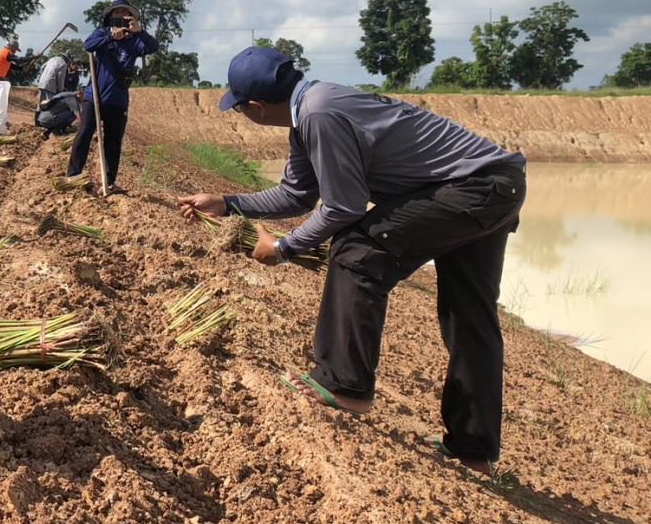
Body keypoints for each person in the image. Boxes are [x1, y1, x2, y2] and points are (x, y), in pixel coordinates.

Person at [177, 46, 527, 476]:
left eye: (240, 109)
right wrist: (229, 204)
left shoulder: (319, 115)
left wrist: (284, 249)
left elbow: (342, 208)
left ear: (255, 107)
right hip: (497, 185)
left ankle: (343, 383)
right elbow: (298, 195)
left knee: (356, 251)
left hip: (472, 190)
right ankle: (474, 450)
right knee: (469, 314)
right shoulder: (311, 109)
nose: (242, 114)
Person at [66, 0, 158, 192]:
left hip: (118, 100)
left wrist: (139, 31)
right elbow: (88, 45)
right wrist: (110, 38)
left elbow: (152, 47)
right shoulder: (101, 33)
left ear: (130, 18)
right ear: (110, 17)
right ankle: (73, 176)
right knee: (84, 135)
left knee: (113, 142)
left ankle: (109, 182)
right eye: (116, 13)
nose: (120, 17)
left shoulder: (135, 40)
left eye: (125, 13)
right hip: (95, 97)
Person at [36, 53, 84, 136]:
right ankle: (51, 128)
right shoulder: (63, 64)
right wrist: (61, 90)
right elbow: (60, 78)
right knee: (51, 105)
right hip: (52, 86)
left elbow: (42, 67)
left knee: (41, 104)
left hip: (42, 83)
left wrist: (40, 76)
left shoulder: (52, 59)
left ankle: (37, 124)